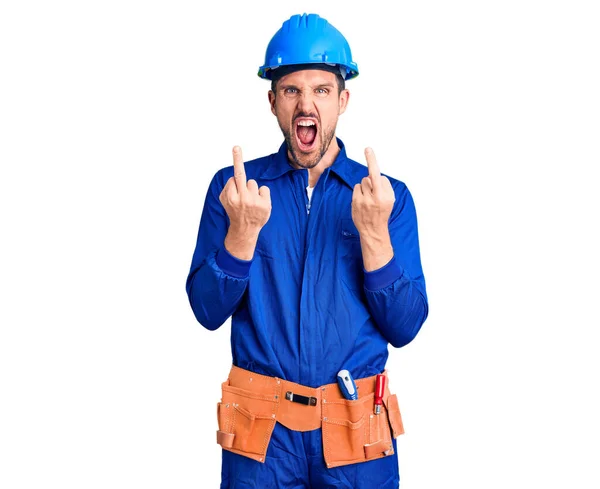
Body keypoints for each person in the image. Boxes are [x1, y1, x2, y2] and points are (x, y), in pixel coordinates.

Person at [186, 13, 428, 489]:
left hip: (357, 434)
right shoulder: (235, 191)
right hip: (261, 438)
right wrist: (242, 233)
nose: (306, 103)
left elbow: (406, 327)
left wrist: (375, 235)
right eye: (292, 90)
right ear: (273, 101)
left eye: (320, 90)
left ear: (343, 100)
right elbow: (205, 311)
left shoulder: (385, 198)